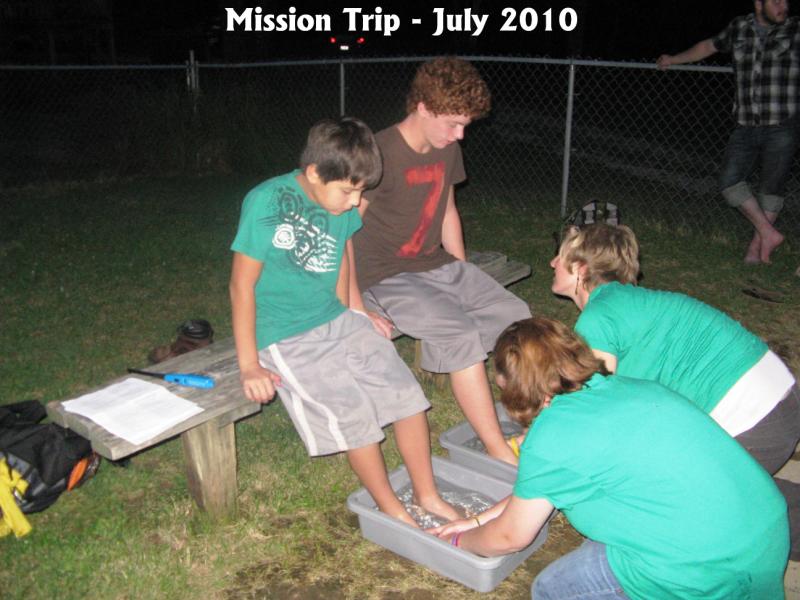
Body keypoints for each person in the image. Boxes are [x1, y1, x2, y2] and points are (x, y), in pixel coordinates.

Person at [430, 317, 789, 599]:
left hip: (705, 565)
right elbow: (540, 490)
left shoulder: (554, 433)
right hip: (762, 533)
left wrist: (458, 542)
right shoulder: (629, 386)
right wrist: (477, 521)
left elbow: (511, 537)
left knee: (552, 589)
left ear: (512, 385)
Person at [229, 117, 459, 527]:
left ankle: (427, 495)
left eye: (360, 192)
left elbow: (342, 253)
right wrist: (249, 364)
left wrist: (355, 310)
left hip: (335, 317)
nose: (355, 202)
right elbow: (241, 286)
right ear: (314, 173)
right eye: (348, 191)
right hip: (285, 335)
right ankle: (391, 508)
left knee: (407, 396)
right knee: (355, 417)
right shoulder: (267, 202)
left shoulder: (340, 204)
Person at [551, 222, 800, 559]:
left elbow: (595, 411)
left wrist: (545, 441)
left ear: (580, 269)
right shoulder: (630, 303)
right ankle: (747, 489)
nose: (552, 263)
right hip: (781, 399)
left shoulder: (600, 315)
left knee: (687, 512)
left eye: (560, 257)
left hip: (754, 421)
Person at [352, 57, 531, 465]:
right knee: (459, 333)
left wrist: (463, 268)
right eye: (453, 124)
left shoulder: (446, 148)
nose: (460, 135)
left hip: (435, 263)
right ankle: (496, 449)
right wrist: (354, 304)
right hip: (384, 275)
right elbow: (343, 234)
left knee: (517, 319)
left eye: (465, 125)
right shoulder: (377, 154)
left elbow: (448, 211)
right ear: (423, 108)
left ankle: (528, 420)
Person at [656, 0, 800, 264]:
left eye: (785, 1)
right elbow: (707, 47)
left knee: (771, 188)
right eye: (776, 1)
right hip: (745, 123)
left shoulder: (794, 29)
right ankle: (768, 233)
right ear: (759, 4)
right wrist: (673, 59)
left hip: (783, 123)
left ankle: (756, 250)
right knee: (729, 181)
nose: (783, 6)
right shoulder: (739, 28)